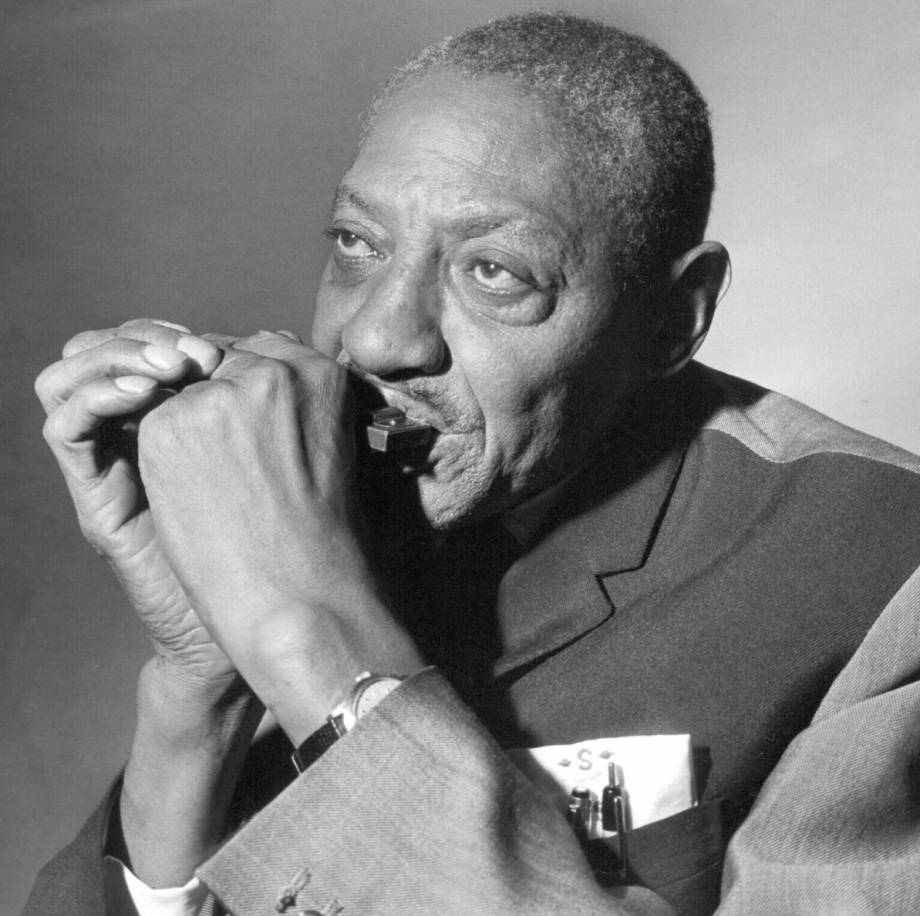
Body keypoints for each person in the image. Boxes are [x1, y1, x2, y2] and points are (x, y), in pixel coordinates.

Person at [24, 12, 920, 916]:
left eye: (495, 271)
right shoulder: (318, 505)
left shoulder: (888, 573)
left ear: (672, 318)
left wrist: (308, 630)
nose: (377, 339)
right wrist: (202, 683)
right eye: (358, 243)